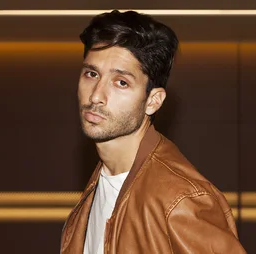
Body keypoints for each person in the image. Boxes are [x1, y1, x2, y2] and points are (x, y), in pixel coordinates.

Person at [60, 10, 246, 254]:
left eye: (121, 82)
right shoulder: (94, 193)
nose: (96, 96)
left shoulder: (180, 199)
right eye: (91, 74)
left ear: (153, 101)